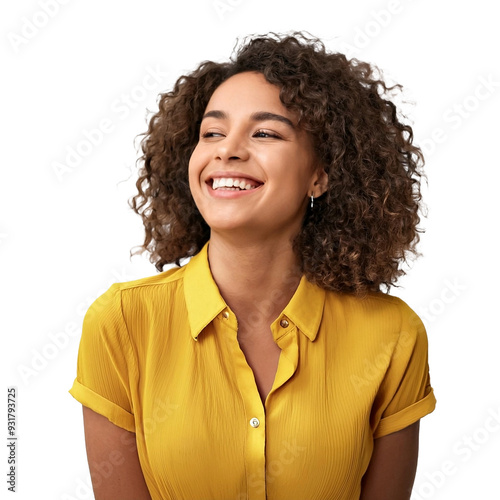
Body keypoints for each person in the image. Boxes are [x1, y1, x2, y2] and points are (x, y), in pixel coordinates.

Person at [69, 31, 436, 500]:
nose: (228, 150)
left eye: (264, 132)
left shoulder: (392, 335)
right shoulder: (121, 323)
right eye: (212, 133)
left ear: (320, 175)